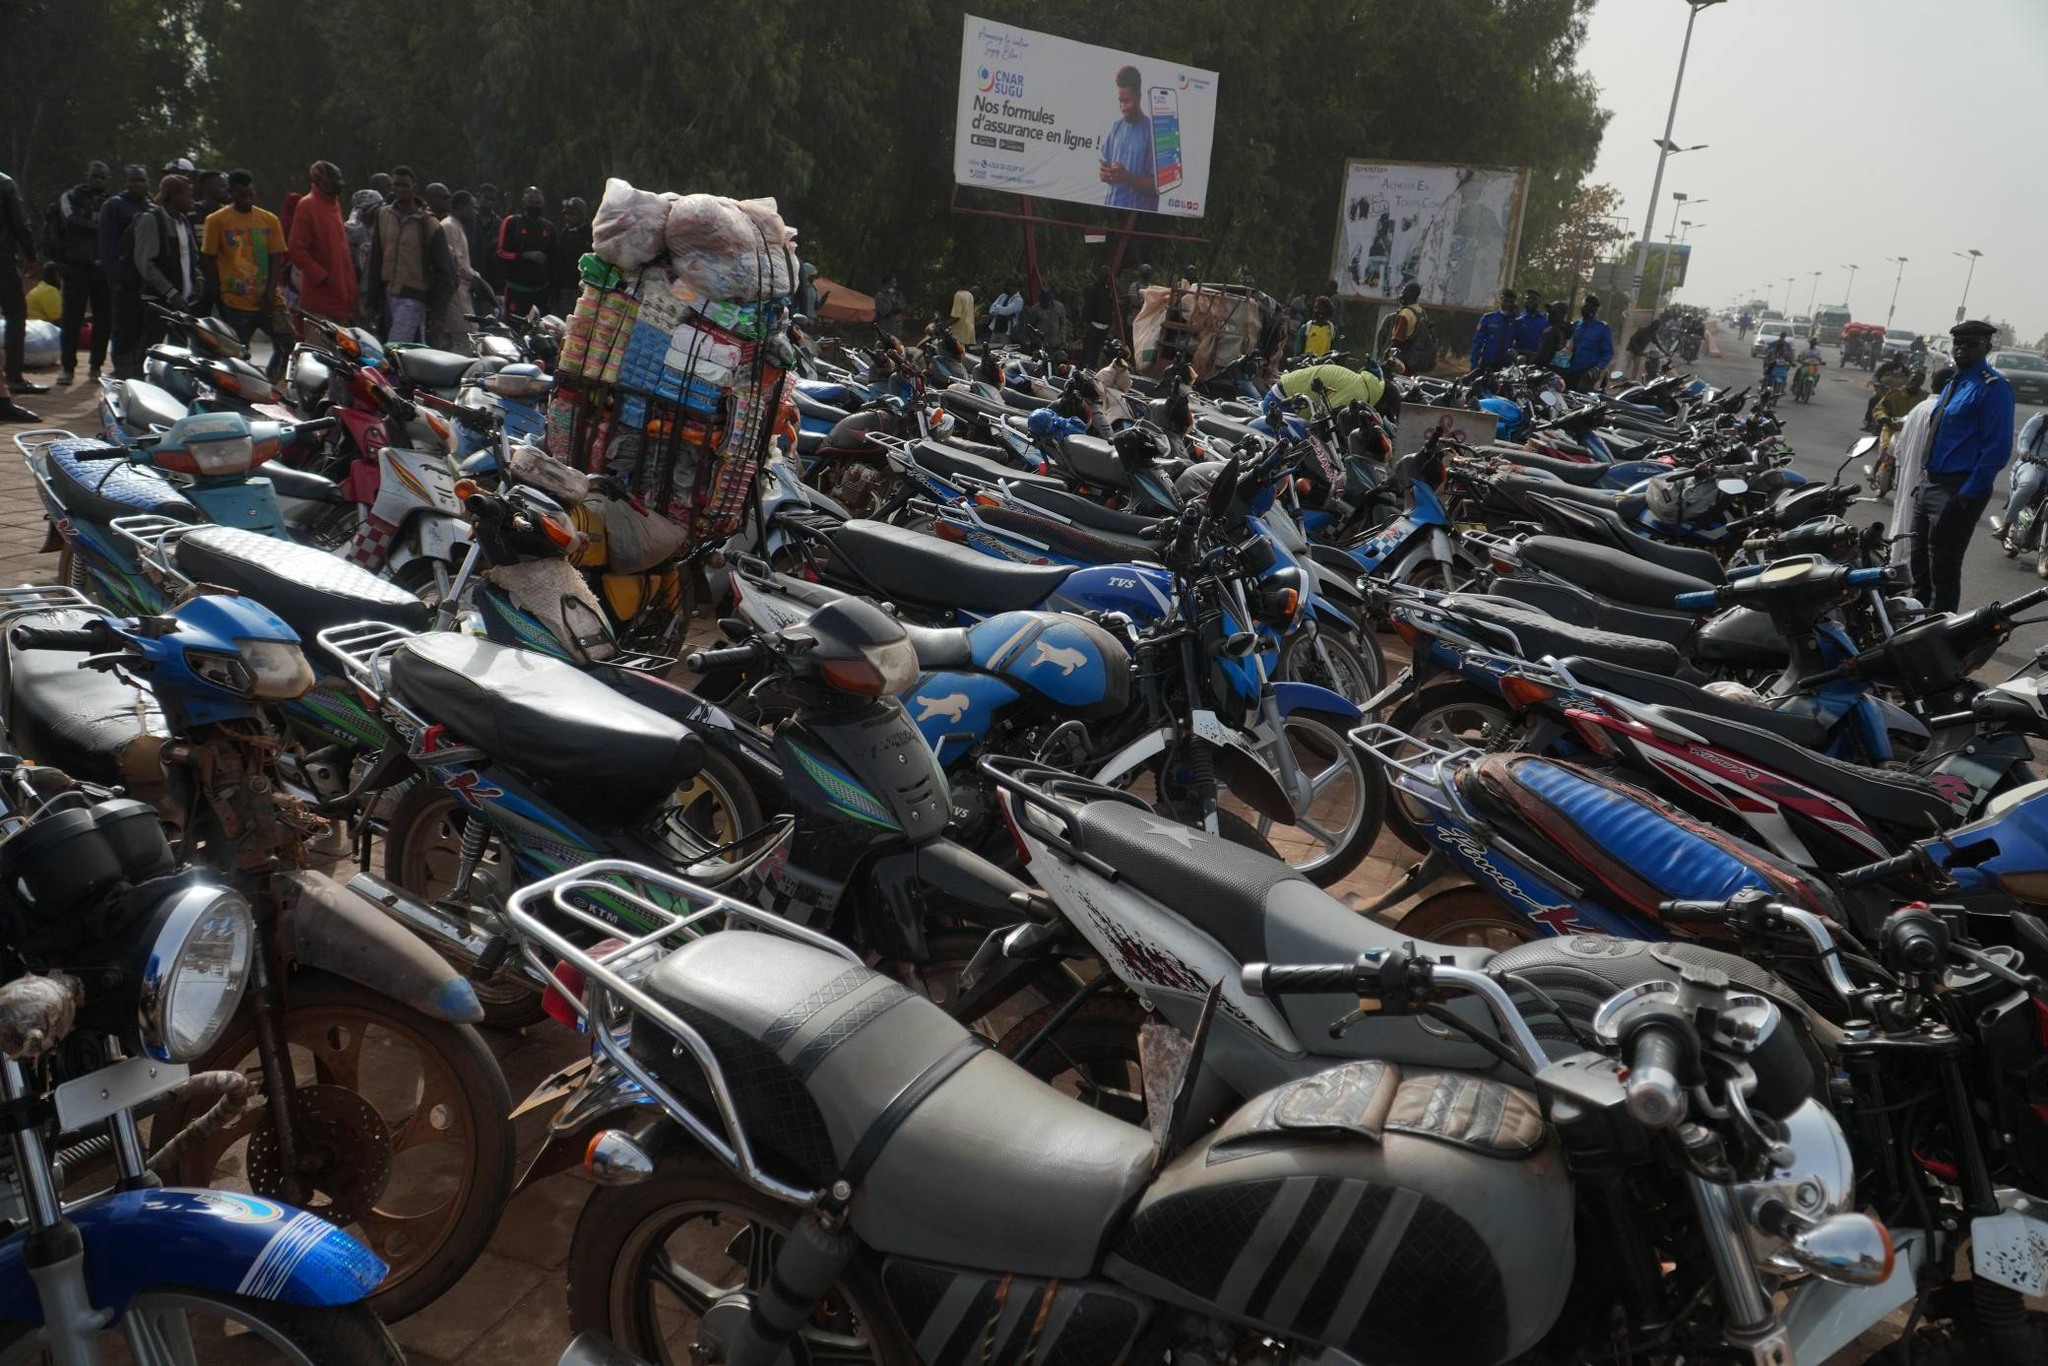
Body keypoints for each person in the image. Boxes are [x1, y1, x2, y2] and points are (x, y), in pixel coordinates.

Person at [1912, 321, 2016, 613]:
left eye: (1972, 344)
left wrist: (1965, 495)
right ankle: (1912, 630)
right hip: (1930, 484)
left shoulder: (1992, 388)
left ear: (1988, 346)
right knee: (1918, 565)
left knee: (1942, 571)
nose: (1963, 349)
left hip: (1958, 489)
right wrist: (1922, 483)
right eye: (1958, 343)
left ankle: (1940, 638)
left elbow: (1996, 451)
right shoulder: (1952, 384)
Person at [201, 169, 289, 378]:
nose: (247, 200)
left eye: (251, 195)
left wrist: (269, 295)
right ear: (230, 193)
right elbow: (208, 257)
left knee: (287, 344)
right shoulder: (216, 220)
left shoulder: (269, 219)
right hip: (235, 302)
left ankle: (272, 381)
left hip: (269, 299)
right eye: (242, 196)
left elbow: (276, 258)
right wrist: (219, 293)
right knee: (237, 354)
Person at [366, 166, 452, 345]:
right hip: (387, 294)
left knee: (397, 348)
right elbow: (375, 259)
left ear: (414, 187)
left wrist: (439, 314)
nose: (400, 190)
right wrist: (371, 303)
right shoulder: (383, 216)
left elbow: (445, 271)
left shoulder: (429, 224)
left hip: (413, 297)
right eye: (396, 185)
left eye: (404, 185)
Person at [46, 161, 110, 386]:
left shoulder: (110, 202)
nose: (98, 180)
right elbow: (71, 221)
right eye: (95, 176)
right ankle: (67, 368)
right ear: (87, 176)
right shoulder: (70, 197)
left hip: (102, 268)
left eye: (102, 177)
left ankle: (95, 367)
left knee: (103, 321)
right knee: (71, 319)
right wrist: (102, 227)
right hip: (75, 266)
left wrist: (95, 226)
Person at [130, 175, 199, 357]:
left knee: (180, 354)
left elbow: (191, 257)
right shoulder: (151, 220)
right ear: (172, 196)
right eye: (186, 196)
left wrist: (198, 278)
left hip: (182, 302)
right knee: (150, 349)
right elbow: (145, 262)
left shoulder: (183, 221)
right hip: (158, 302)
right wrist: (170, 292)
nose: (190, 200)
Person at [286, 160, 358, 328]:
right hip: (320, 299)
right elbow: (296, 249)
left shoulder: (334, 204)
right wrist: (322, 276)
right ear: (323, 180)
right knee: (319, 351)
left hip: (341, 296)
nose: (342, 184)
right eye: (337, 179)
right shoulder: (307, 205)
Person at [1887, 367, 1944, 570]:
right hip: (1925, 479)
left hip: (1907, 473)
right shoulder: (1942, 410)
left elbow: (1898, 449)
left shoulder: (1920, 407)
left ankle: (1894, 562)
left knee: (1902, 517)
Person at [98, 165, 153, 376]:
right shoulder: (114, 206)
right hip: (124, 277)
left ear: (147, 182)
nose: (137, 184)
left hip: (147, 279)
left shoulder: (152, 206)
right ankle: (121, 370)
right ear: (126, 182)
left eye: (140, 180)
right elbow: (107, 244)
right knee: (123, 326)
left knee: (143, 325)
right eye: (132, 180)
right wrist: (116, 277)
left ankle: (138, 369)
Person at [0, 169, 40, 395]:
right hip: (2, 260)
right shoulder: (6, 184)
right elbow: (20, 223)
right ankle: (13, 377)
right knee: (16, 314)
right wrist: (31, 256)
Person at [1099, 65, 1159, 211]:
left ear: (1138, 97)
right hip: (1110, 211)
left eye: (1127, 101)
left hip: (1137, 219)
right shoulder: (1116, 127)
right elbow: (1104, 166)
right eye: (1120, 101)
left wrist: (1127, 177)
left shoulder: (1154, 132)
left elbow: (1157, 187)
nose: (1122, 106)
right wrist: (1104, 173)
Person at [495, 187, 557, 320]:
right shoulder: (512, 222)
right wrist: (525, 256)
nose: (534, 206)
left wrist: (552, 290)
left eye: (538, 203)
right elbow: (500, 253)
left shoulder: (549, 228)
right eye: (531, 202)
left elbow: (555, 260)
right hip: (516, 290)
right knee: (514, 328)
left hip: (540, 292)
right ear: (524, 202)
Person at [438, 189, 488, 345]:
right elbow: (457, 264)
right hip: (455, 293)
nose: (476, 212)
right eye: (473, 207)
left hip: (461, 292)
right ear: (462, 208)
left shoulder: (455, 226)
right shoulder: (449, 226)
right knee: (466, 341)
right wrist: (476, 278)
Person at [1560, 294, 1613, 390]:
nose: (1587, 309)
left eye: (1591, 307)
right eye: (1585, 306)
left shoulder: (1602, 328)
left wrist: (1597, 368)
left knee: (1580, 399)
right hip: (1570, 369)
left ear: (1596, 309)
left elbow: (1608, 352)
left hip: (1587, 372)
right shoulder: (1575, 325)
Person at [556, 196, 591, 314]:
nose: (567, 217)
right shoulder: (564, 233)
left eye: (571, 214)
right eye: (566, 214)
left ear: (581, 215)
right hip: (566, 288)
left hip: (585, 289)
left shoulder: (591, 234)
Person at [1469, 288, 1516, 372]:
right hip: (1487, 364)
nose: (1508, 304)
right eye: (1505, 301)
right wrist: (1474, 365)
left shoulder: (1516, 322)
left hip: (1506, 367)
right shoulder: (1488, 318)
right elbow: (1477, 343)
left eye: (1511, 302)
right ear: (1501, 299)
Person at [1080, 264, 1114, 365]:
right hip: (1096, 324)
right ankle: (1085, 370)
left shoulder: (1106, 290)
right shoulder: (1097, 290)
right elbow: (1088, 306)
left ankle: (1087, 370)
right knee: (1091, 351)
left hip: (1099, 324)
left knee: (1092, 351)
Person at [1297, 294, 1342, 360]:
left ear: (1326, 311)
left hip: (1324, 367)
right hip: (1307, 366)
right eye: (1315, 308)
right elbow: (1297, 351)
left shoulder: (1333, 330)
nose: (1316, 311)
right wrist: (1306, 356)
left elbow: (1336, 353)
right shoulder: (1305, 328)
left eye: (1320, 308)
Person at [1624, 311, 1666, 380]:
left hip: (1639, 353)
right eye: (1655, 327)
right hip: (1631, 350)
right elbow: (1632, 339)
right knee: (1627, 366)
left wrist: (1665, 352)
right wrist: (1637, 349)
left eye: (1657, 328)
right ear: (1653, 325)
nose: (1656, 329)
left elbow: (1657, 343)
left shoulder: (1652, 334)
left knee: (1636, 369)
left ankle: (1632, 382)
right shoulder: (1643, 329)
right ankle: (1622, 379)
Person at [1509, 288, 1547, 355]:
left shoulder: (1545, 320)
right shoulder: (1517, 319)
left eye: (1534, 299)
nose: (1530, 301)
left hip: (1538, 358)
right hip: (1518, 357)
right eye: (1528, 298)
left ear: (1539, 301)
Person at [988, 276, 1023, 340]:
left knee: (1004, 349)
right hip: (995, 329)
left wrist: (997, 307)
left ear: (1012, 287)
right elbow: (991, 310)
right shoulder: (1003, 296)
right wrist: (1000, 310)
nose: (1005, 288)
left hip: (1006, 332)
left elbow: (1006, 312)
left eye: (1007, 286)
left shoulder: (1018, 300)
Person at [873, 275, 905, 341]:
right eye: (893, 282)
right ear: (887, 283)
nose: (895, 284)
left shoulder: (894, 296)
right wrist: (896, 310)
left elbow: (900, 307)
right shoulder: (880, 296)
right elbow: (885, 311)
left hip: (894, 331)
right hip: (884, 330)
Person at [948, 282, 975, 347]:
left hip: (959, 333)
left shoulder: (958, 295)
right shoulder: (970, 295)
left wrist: (945, 325)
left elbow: (956, 316)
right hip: (969, 330)